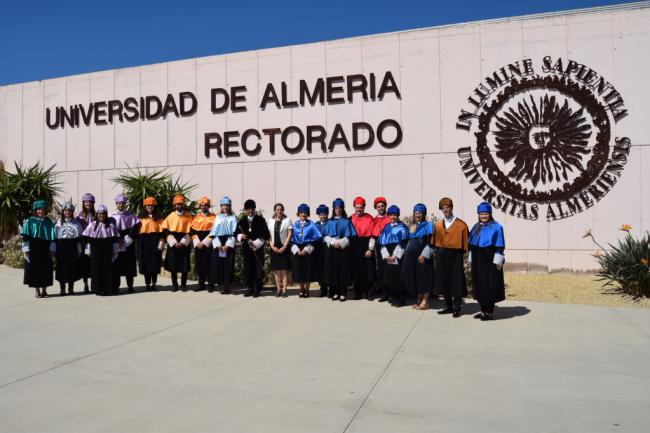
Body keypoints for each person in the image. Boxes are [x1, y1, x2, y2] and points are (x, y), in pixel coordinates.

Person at [468, 202, 506, 321]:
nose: (483, 216)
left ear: (490, 214)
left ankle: (489, 312)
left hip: (490, 261)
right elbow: (471, 246)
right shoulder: (476, 227)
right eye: (481, 214)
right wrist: (470, 259)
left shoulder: (497, 227)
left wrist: (499, 262)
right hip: (477, 260)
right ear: (478, 215)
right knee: (479, 285)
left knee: (490, 285)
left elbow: (500, 246)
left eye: (485, 214)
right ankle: (483, 309)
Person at [434, 197, 469, 318]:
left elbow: (465, 244)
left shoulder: (461, 225)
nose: (445, 210)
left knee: (456, 281)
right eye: (443, 208)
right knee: (444, 281)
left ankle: (457, 307)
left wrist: (466, 259)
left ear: (451, 208)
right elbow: (435, 242)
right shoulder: (438, 225)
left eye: (447, 207)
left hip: (455, 255)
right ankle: (448, 306)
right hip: (441, 255)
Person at [321, 198, 357, 302]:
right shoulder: (329, 221)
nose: (338, 210)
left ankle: (343, 293)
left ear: (342, 209)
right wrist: (332, 241)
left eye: (340, 208)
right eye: (336, 208)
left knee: (343, 271)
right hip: (331, 249)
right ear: (333, 209)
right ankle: (334, 292)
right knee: (333, 271)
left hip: (343, 249)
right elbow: (324, 235)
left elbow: (351, 237)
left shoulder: (347, 221)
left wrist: (341, 243)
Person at [21, 199, 56, 298]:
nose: (41, 211)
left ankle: (44, 290)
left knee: (46, 269)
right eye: (39, 209)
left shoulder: (49, 222)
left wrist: (52, 250)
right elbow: (25, 237)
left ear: (45, 210)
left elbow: (52, 238)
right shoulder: (30, 221)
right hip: (34, 248)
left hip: (45, 248)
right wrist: (26, 250)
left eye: (43, 209)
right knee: (35, 269)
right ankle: (37, 290)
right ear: (35, 210)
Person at [402, 203, 434, 310]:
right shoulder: (412, 226)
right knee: (417, 278)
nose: (418, 215)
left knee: (425, 278)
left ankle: (425, 301)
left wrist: (424, 254)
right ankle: (419, 300)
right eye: (416, 213)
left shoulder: (428, 225)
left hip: (423, 257)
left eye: (420, 213)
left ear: (424, 214)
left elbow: (431, 242)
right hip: (413, 258)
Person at [82, 205, 120, 296]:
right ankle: (98, 289)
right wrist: (88, 250)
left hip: (107, 251)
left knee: (108, 269)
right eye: (99, 213)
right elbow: (85, 238)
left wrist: (115, 251)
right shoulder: (92, 225)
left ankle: (108, 288)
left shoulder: (111, 226)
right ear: (97, 214)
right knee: (96, 269)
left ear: (106, 214)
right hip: (96, 251)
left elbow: (115, 239)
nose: (101, 215)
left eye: (103, 213)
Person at [237, 199, 270, 297]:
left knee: (258, 269)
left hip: (257, 249)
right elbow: (236, 233)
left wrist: (255, 244)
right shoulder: (242, 221)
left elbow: (264, 233)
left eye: (252, 209)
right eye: (248, 209)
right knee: (248, 268)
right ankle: (250, 288)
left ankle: (257, 289)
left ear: (255, 209)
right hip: (247, 250)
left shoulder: (260, 219)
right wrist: (241, 236)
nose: (250, 211)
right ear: (245, 210)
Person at [378, 205, 409, 306]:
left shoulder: (402, 227)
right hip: (387, 253)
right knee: (389, 277)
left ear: (398, 215)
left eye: (394, 215)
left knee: (398, 277)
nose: (392, 217)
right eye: (390, 215)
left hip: (397, 254)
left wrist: (395, 255)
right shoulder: (386, 227)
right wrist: (386, 254)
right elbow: (382, 242)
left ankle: (400, 299)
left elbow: (403, 242)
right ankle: (393, 297)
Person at [162, 194, 194, 292]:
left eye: (181, 204)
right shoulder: (170, 216)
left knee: (184, 265)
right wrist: (174, 242)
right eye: (177, 204)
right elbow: (166, 231)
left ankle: (183, 285)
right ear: (174, 205)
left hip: (184, 240)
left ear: (183, 204)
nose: (179, 206)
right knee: (173, 265)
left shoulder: (188, 216)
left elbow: (191, 230)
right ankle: (174, 285)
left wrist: (183, 242)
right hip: (173, 241)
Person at [290, 204, 322, 298]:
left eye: (305, 212)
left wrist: (306, 249)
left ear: (307, 214)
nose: (303, 214)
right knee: (299, 270)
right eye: (301, 212)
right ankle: (301, 289)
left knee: (307, 271)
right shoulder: (295, 225)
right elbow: (291, 239)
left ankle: (307, 289)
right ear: (298, 213)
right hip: (297, 248)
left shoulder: (311, 225)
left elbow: (316, 239)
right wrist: (296, 250)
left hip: (308, 249)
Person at [208, 196, 238, 294]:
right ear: (221, 206)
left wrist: (228, 245)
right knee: (215, 264)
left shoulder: (233, 218)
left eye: (227, 205)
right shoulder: (217, 217)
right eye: (223, 205)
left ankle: (227, 286)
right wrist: (218, 244)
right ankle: (212, 284)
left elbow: (235, 233)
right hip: (218, 242)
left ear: (230, 206)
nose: (225, 207)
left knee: (228, 265)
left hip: (229, 242)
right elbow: (213, 232)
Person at [111, 194, 139, 293]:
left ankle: (130, 286)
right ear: (116, 204)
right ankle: (116, 286)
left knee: (129, 265)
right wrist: (118, 240)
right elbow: (111, 230)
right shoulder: (112, 217)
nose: (121, 205)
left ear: (125, 204)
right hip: (117, 243)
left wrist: (128, 239)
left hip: (128, 244)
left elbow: (135, 229)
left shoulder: (131, 216)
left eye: (122, 203)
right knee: (116, 265)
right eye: (119, 203)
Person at [54, 201, 84, 296]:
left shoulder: (76, 223)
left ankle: (71, 288)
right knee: (61, 268)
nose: (67, 212)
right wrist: (54, 251)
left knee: (72, 268)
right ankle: (62, 288)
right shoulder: (58, 223)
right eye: (65, 211)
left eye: (69, 211)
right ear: (63, 212)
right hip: (61, 247)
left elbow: (79, 238)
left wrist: (79, 250)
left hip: (72, 247)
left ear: (72, 212)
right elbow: (54, 237)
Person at [350, 196, 376, 300]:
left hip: (366, 244)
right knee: (357, 270)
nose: (359, 209)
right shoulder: (350, 218)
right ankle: (358, 293)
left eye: (361, 207)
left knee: (368, 270)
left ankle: (369, 293)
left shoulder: (369, 218)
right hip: (354, 245)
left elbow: (373, 235)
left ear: (364, 207)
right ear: (354, 207)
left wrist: (370, 249)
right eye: (357, 207)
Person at [137, 197, 164, 291]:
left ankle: (154, 283)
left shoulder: (159, 218)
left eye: (151, 205)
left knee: (155, 263)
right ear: (145, 206)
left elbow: (162, 234)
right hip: (144, 242)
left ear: (154, 207)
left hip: (155, 241)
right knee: (145, 264)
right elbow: (136, 231)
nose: (149, 207)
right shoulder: (140, 218)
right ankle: (147, 284)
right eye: (148, 205)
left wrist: (160, 245)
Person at [190, 197, 216, 292]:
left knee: (209, 264)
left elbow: (214, 231)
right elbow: (192, 230)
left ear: (208, 206)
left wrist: (205, 242)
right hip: (198, 243)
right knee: (199, 263)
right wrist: (197, 242)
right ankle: (201, 284)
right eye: (202, 205)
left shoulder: (214, 217)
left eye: (205, 205)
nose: (203, 207)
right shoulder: (196, 217)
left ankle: (210, 284)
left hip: (208, 243)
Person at [267, 203, 292, 297]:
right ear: (275, 211)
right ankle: (278, 289)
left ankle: (285, 290)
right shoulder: (270, 221)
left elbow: (289, 234)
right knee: (276, 270)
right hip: (274, 247)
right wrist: (272, 247)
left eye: (281, 209)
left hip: (284, 247)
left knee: (284, 270)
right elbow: (268, 236)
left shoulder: (287, 220)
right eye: (277, 209)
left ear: (283, 210)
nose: (279, 211)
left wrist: (284, 247)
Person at [76, 193, 96, 293]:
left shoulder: (96, 215)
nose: (88, 204)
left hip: (94, 243)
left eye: (90, 202)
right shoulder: (79, 216)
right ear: (83, 203)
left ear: (93, 203)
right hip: (84, 243)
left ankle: (93, 283)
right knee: (85, 265)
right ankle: (85, 284)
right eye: (86, 202)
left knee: (93, 264)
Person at [371, 196, 390, 302]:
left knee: (390, 268)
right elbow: (373, 235)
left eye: (382, 206)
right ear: (376, 208)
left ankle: (393, 291)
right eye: (378, 207)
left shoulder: (390, 217)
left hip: (389, 245)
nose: (380, 208)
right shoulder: (375, 220)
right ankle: (384, 292)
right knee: (382, 269)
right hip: (379, 246)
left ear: (385, 207)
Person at [314, 204, 330, 298]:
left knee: (328, 268)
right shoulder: (315, 225)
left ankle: (330, 288)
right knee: (320, 268)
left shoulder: (330, 223)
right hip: (318, 249)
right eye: (321, 215)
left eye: (324, 214)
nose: (323, 216)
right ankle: (323, 289)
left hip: (328, 248)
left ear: (327, 215)